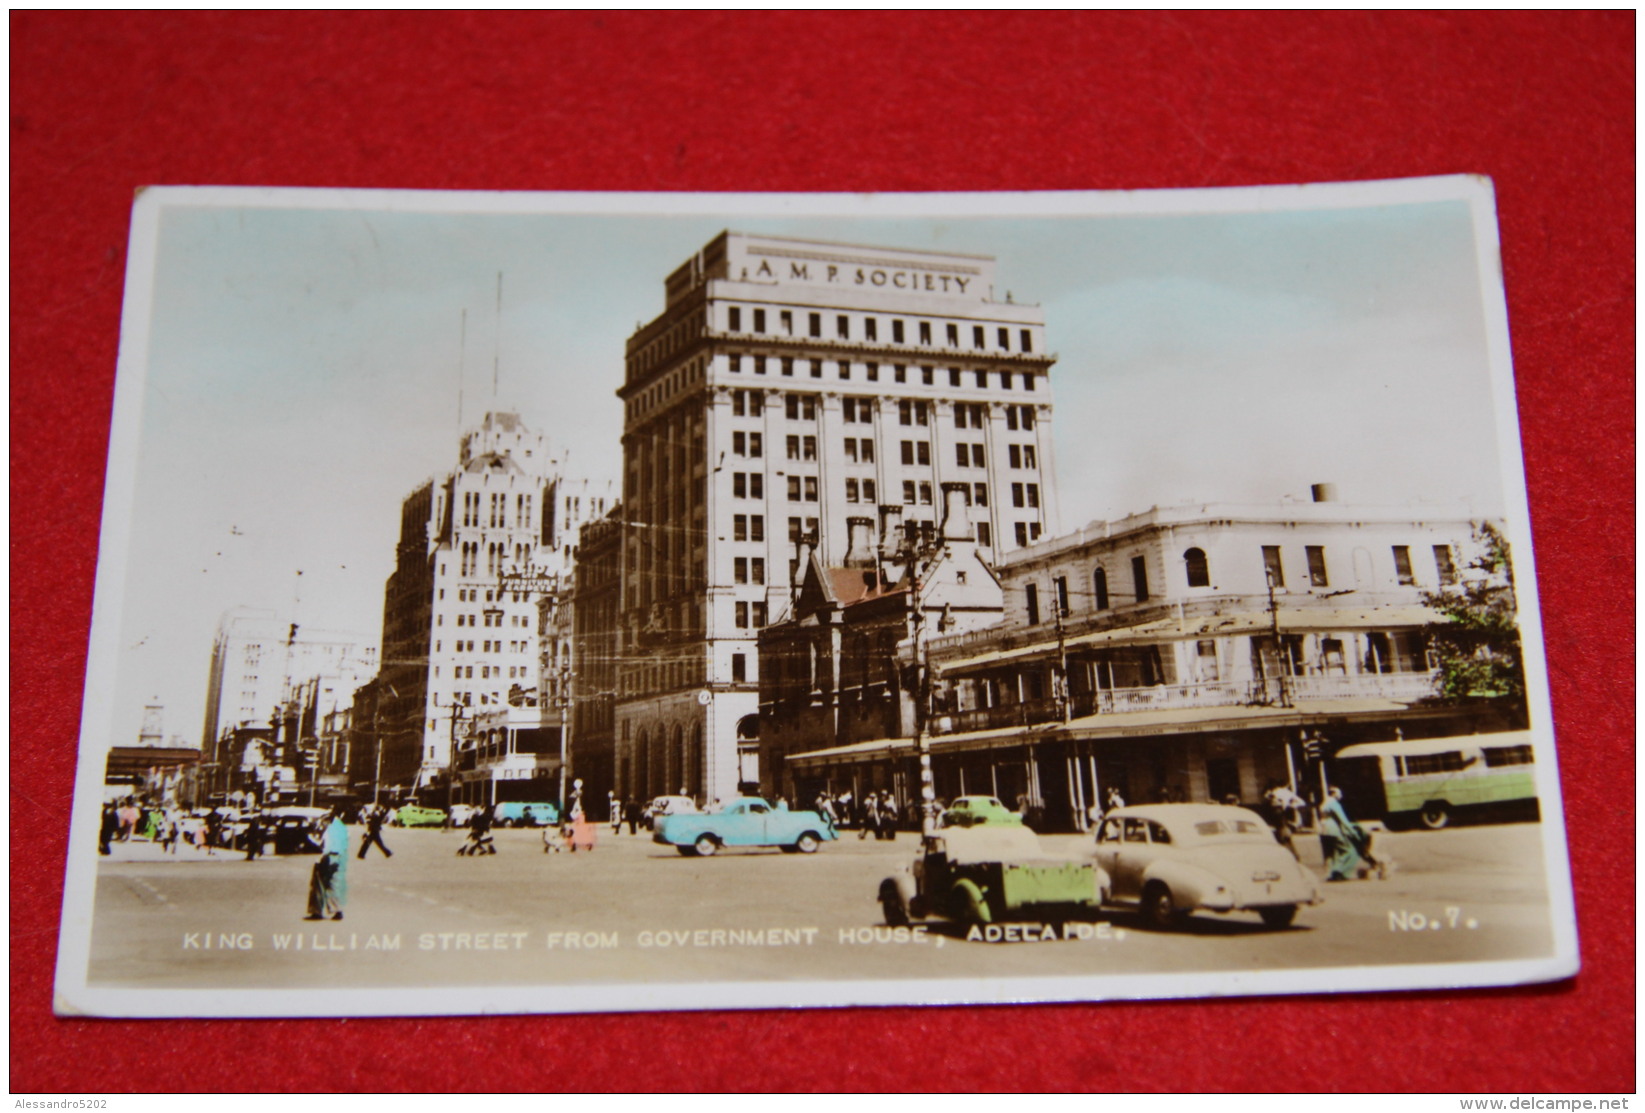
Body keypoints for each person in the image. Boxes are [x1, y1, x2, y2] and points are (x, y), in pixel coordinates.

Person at [1319, 786, 1371, 881]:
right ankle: (1337, 871)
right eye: (1339, 793)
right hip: (1333, 830)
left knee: (1329, 854)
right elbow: (1343, 820)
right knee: (1348, 850)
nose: (1341, 796)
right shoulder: (1334, 804)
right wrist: (1353, 832)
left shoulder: (1324, 803)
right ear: (1334, 794)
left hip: (1323, 831)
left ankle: (1329, 873)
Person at [305, 810, 349, 921]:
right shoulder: (342, 828)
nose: (322, 823)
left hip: (328, 857)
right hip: (338, 858)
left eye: (324, 821)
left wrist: (312, 840)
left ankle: (316, 911)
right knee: (333, 885)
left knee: (318, 884)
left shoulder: (331, 829)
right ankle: (337, 910)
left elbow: (325, 846)